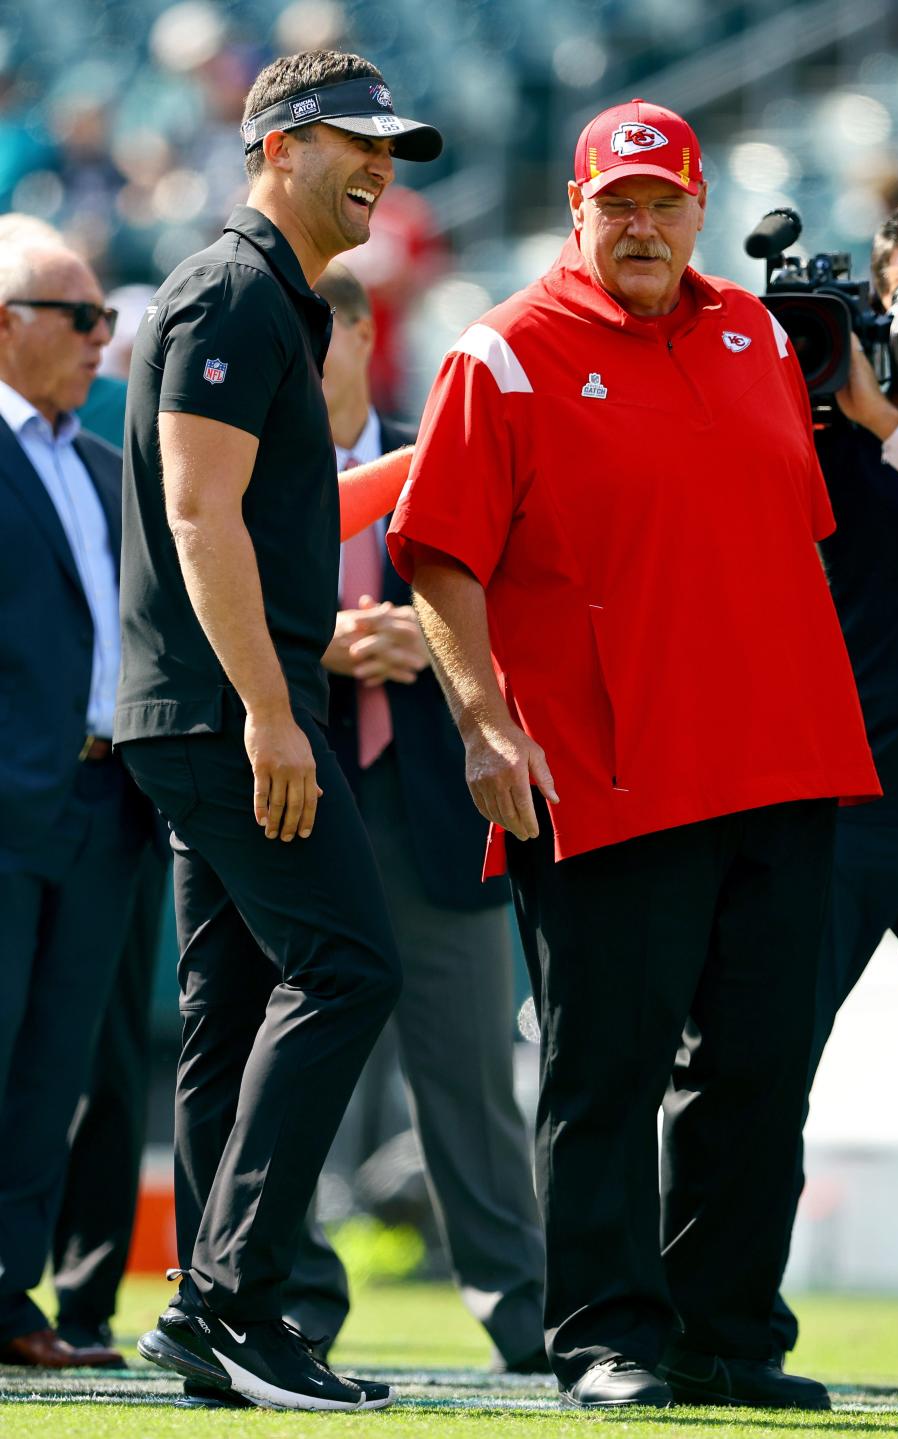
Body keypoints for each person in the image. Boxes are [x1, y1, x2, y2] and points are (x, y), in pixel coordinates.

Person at [388, 97, 881, 1411]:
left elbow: (791, 532)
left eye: (666, 203)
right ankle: (607, 1331)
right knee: (605, 1068)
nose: (644, 226)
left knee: (762, 1064)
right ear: (577, 209)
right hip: (604, 767)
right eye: (620, 205)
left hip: (784, 758)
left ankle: (726, 1329)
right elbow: (439, 552)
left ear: (701, 206)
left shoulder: (761, 336)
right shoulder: (502, 354)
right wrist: (487, 721)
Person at [117, 49, 442, 1413]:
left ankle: (226, 1307)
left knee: (239, 1001)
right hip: (224, 708)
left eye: (391, 147)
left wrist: (443, 455)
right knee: (351, 965)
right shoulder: (238, 288)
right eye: (354, 141)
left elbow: (276, 511)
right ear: (275, 145)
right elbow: (202, 517)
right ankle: (234, 1296)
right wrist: (271, 707)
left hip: (218, 703)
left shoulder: (271, 299)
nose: (379, 166)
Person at [279, 263, 546, 1374]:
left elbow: (520, 617)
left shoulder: (450, 455)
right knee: (281, 1078)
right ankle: (284, 1308)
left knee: (476, 1081)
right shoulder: (246, 475)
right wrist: (323, 646)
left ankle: (528, 1314)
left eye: (313, 338)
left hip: (440, 808)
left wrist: (427, 658)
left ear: (360, 333)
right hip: (297, 811)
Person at [768, 201, 898, 1395]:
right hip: (837, 800)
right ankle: (727, 1330)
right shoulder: (819, 418)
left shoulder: (871, 420)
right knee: (760, 1070)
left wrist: (881, 416)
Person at [0, 226, 154, 1369]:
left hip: (105, 810)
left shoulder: (104, 465)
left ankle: (10, 1298)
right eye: (82, 318)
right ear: (5, 321)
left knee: (54, 1067)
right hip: (9, 805)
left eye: (106, 320)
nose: (106, 340)